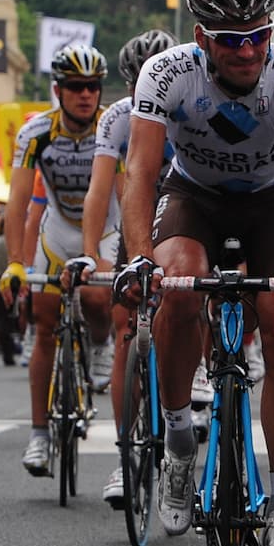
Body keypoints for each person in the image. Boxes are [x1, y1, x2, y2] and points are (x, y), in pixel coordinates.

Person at [115, 0, 274, 546]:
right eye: (230, 39)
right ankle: (178, 441)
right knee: (176, 290)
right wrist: (138, 259)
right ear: (200, 38)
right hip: (194, 196)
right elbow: (140, 171)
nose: (247, 51)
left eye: (258, 35)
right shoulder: (167, 73)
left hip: (273, 199)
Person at [5, 44, 114, 476]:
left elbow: (126, 191)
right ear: (58, 90)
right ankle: (38, 434)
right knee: (44, 320)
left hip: (106, 229)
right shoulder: (35, 133)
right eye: (75, 86)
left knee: (96, 297)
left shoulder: (112, 126)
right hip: (59, 230)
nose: (85, 94)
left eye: (92, 86)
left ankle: (101, 342)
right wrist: (15, 262)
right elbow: (17, 203)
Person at [85, 29, 177, 505]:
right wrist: (89, 252)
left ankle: (199, 373)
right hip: (139, 222)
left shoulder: (193, 106)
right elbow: (100, 190)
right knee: (126, 327)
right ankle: (126, 456)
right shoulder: (119, 117)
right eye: (138, 82)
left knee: (191, 297)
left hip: (185, 218)